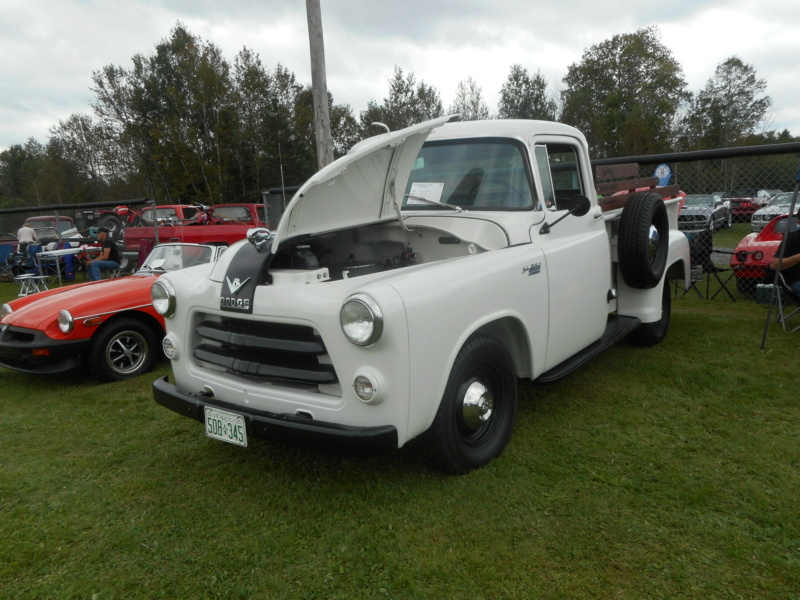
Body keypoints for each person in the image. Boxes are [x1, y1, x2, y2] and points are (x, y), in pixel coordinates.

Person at [767, 214, 800, 294]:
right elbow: (774, 265)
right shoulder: (792, 239)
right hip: (796, 279)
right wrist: (798, 257)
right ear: (799, 222)